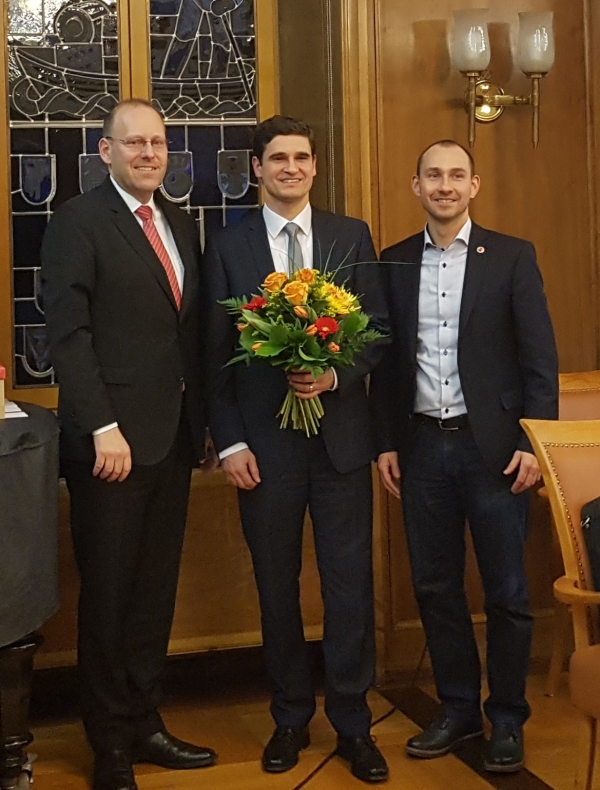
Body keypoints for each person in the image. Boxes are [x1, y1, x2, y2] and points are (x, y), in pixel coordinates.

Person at [203, 115, 390, 783]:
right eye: (277, 157)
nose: (290, 167)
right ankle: (288, 717)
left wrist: (333, 373)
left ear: (315, 167)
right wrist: (230, 443)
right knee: (276, 591)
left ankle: (352, 724)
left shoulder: (350, 236)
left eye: (301, 157)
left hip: (341, 448)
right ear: (256, 167)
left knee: (348, 592)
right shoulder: (226, 245)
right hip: (264, 454)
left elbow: (379, 335)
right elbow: (214, 358)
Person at [41, 99, 216, 790]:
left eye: (158, 143)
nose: (149, 153)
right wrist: (101, 425)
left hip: (172, 441)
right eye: (134, 142)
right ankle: (108, 742)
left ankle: (145, 721)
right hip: (110, 445)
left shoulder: (176, 222)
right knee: (109, 598)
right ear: (104, 152)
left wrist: (201, 427)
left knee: (153, 593)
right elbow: (69, 338)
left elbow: (186, 337)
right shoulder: (77, 223)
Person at [370, 140, 558, 773]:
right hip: (422, 447)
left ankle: (506, 718)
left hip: (497, 453)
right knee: (435, 586)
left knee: (506, 591)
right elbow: (385, 364)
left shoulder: (511, 257)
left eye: (456, 175)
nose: (445, 185)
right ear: (415, 185)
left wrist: (536, 443)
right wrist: (386, 441)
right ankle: (455, 708)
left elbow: (540, 361)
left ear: (474, 185)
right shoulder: (392, 263)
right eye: (433, 175)